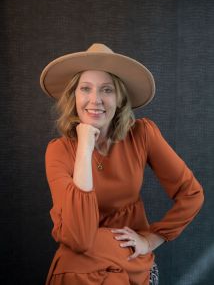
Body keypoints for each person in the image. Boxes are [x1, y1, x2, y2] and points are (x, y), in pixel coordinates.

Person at [40, 43, 204, 285]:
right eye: (85, 88)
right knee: (76, 264)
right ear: (73, 96)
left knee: (70, 265)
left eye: (106, 90)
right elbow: (81, 238)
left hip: (130, 256)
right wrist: (85, 146)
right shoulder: (58, 151)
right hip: (83, 260)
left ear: (119, 99)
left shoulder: (142, 134)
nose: (95, 99)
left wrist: (151, 239)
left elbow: (191, 194)